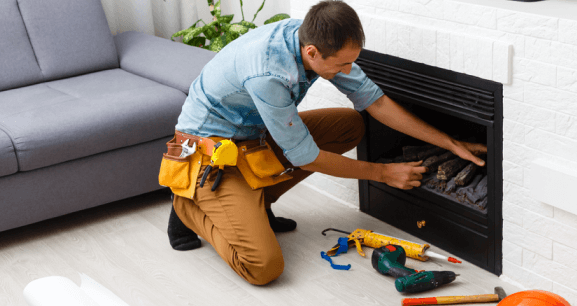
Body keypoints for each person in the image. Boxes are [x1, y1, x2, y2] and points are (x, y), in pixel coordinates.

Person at [165, 0, 487, 285]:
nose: (348, 71)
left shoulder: (313, 35)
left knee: (349, 125)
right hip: (212, 156)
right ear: (312, 53)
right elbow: (306, 156)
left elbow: (375, 102)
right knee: (263, 267)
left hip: (253, 140)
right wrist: (383, 173)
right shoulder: (268, 73)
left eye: (351, 62)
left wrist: (450, 142)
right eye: (342, 66)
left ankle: (256, 202)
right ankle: (187, 206)